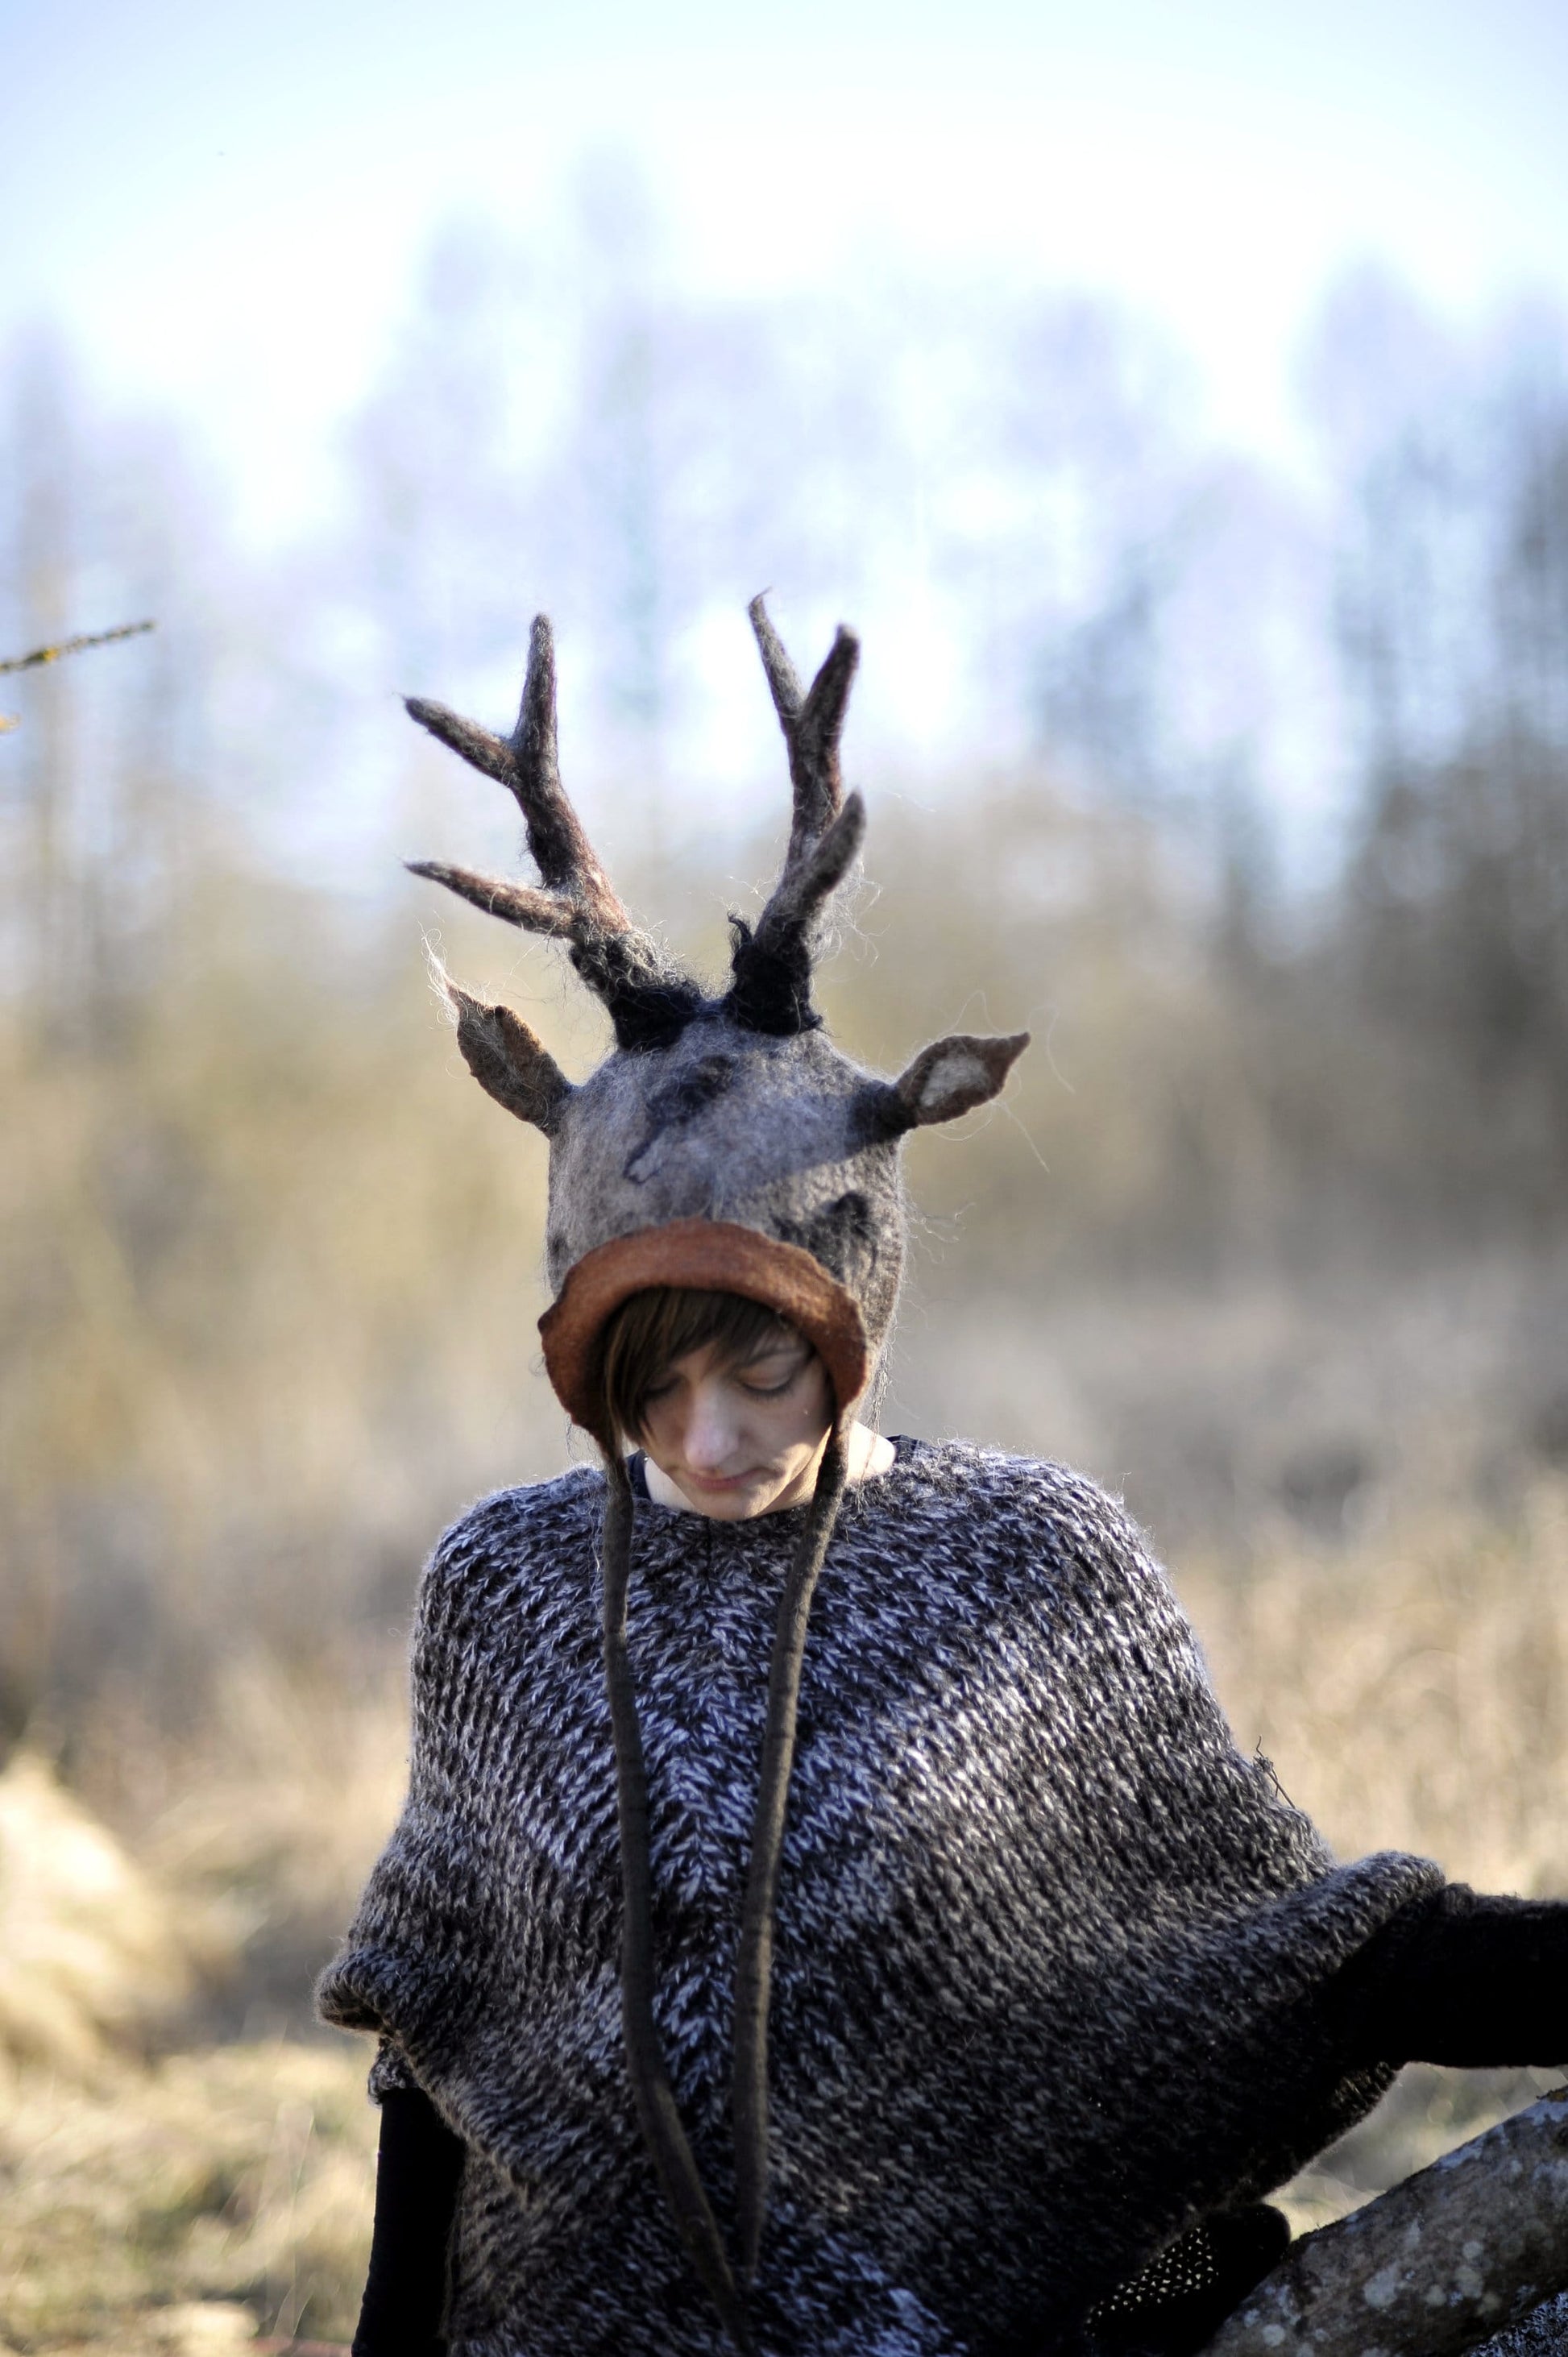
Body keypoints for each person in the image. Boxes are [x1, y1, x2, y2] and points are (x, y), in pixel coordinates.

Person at [320, 604, 1568, 2357]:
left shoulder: (1024, 1558)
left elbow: (1282, 1949)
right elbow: (441, 2050)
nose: (702, 1440)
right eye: (643, 1386)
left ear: (851, 1315)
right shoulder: (509, 1590)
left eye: (754, 1371)